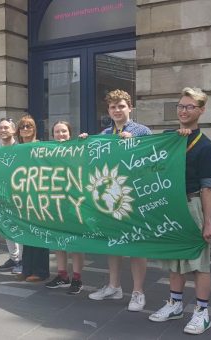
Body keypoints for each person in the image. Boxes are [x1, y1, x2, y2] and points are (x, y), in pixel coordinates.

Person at [148, 87, 211, 335]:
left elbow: (207, 187)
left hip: (193, 204)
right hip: (171, 206)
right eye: (180, 106)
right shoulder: (170, 137)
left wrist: (208, 221)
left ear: (201, 110)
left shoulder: (206, 146)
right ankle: (175, 304)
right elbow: (146, 150)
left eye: (189, 107)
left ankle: (202, 313)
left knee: (200, 264)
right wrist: (125, 141)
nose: (183, 111)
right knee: (175, 261)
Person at [82, 89, 152, 311]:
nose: (117, 110)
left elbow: (152, 159)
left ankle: (138, 292)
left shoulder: (142, 131)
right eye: (113, 107)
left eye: (121, 106)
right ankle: (114, 286)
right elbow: (93, 159)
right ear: (108, 111)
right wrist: (85, 142)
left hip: (136, 195)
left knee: (136, 245)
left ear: (130, 108)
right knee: (112, 242)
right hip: (112, 196)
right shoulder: (105, 133)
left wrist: (135, 144)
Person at [44, 121, 85, 294]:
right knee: (57, 240)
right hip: (55, 201)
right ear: (52, 135)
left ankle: (77, 278)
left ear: (70, 133)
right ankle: (62, 275)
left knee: (75, 242)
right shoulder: (48, 152)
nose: (60, 135)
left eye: (64, 131)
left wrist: (85, 141)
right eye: (57, 132)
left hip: (74, 202)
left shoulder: (79, 150)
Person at [15, 115, 50, 282]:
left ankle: (40, 271)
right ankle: (27, 268)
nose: (25, 129)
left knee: (39, 233)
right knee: (26, 233)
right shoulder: (17, 149)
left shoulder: (41, 147)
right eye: (22, 127)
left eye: (29, 126)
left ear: (34, 129)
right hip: (23, 196)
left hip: (39, 195)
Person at [0, 118, 23, 274]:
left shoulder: (19, 149)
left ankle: (21, 260)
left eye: (6, 127)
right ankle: (13, 258)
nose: (3, 130)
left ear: (13, 130)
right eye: (0, 128)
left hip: (17, 195)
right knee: (7, 228)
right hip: (2, 195)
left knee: (19, 228)